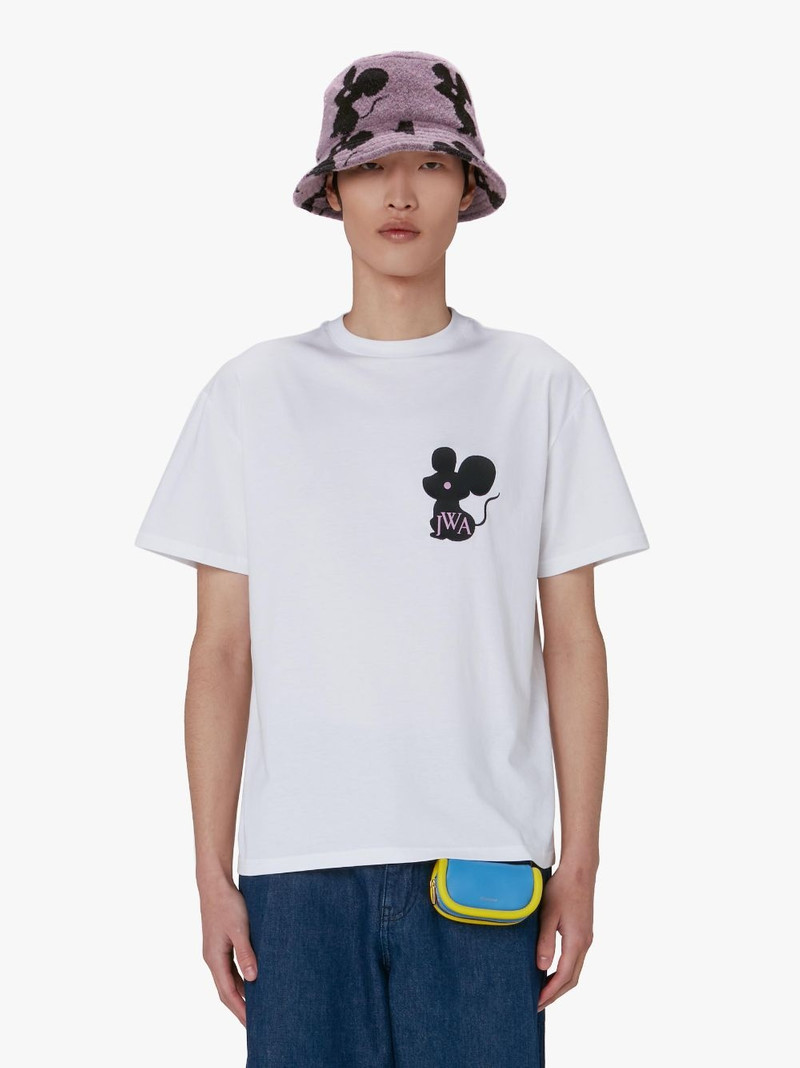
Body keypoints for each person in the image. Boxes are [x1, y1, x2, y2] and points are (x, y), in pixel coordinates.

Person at [134, 49, 650, 1067]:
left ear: (468, 189)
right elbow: (221, 653)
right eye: (370, 166)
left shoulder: (536, 386)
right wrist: (210, 873)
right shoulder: (252, 394)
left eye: (430, 164)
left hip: (485, 861)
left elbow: (574, 641)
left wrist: (582, 863)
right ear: (332, 191)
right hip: (298, 864)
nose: (400, 193)